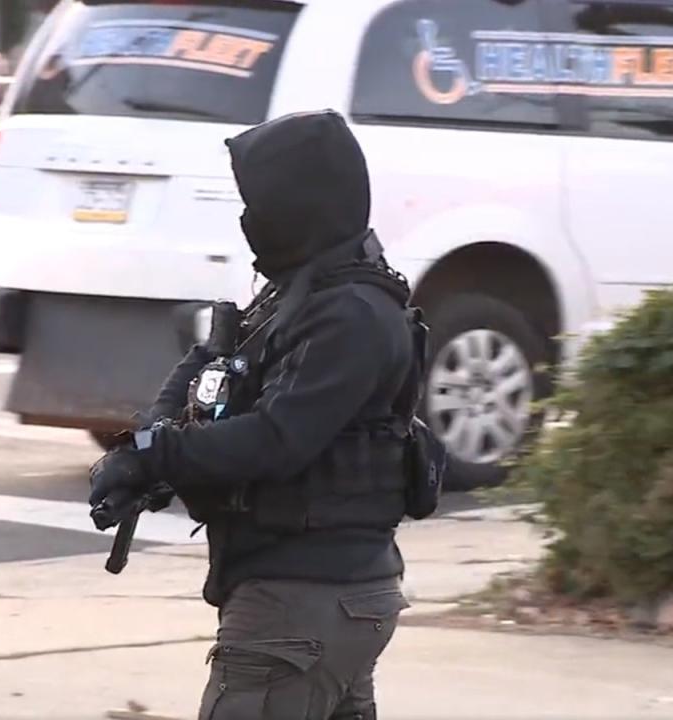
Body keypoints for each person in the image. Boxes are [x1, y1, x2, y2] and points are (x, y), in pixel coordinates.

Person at [88, 109, 443, 720]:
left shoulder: (352, 315)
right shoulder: (299, 294)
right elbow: (209, 369)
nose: (249, 220)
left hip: (305, 604)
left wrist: (157, 453)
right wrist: (143, 446)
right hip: (308, 602)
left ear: (300, 203)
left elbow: (279, 439)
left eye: (260, 202)